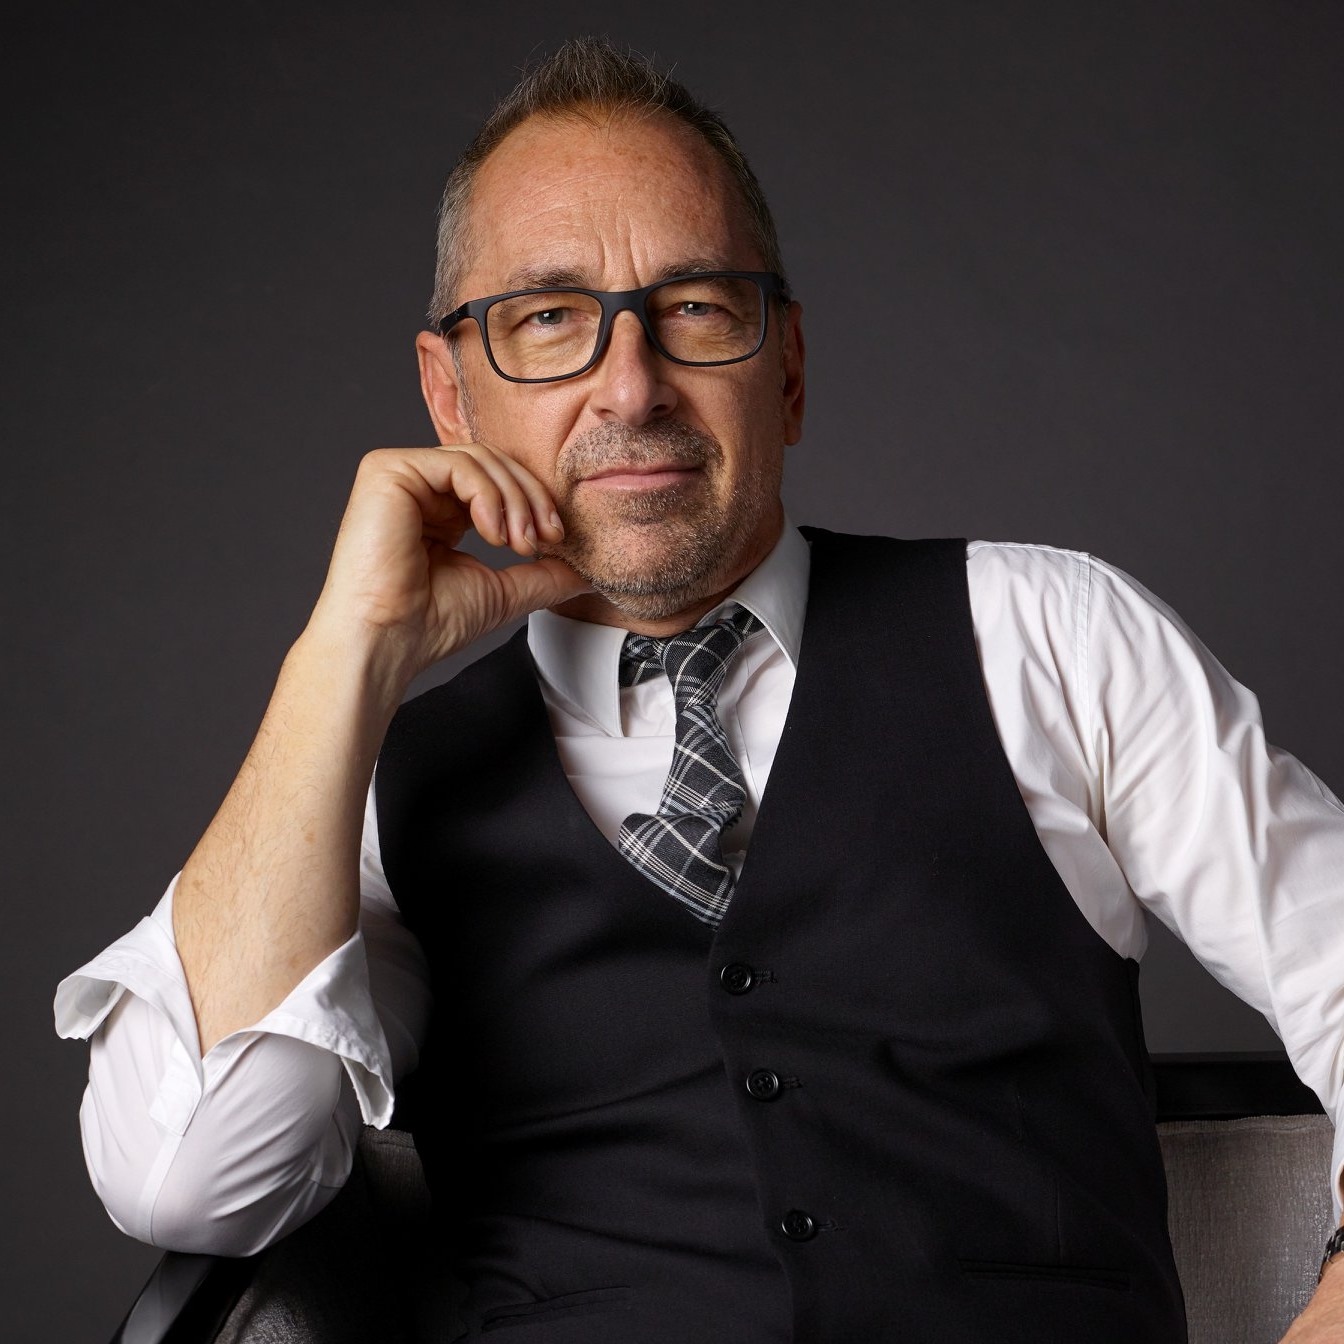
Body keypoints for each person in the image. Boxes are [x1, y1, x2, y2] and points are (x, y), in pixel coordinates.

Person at [56, 37, 1344, 1342]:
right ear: (450, 396)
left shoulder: (1046, 636)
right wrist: (343, 655)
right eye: (548, 320)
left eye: (696, 309)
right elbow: (192, 1179)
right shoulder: (381, 791)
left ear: (788, 369)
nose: (631, 387)